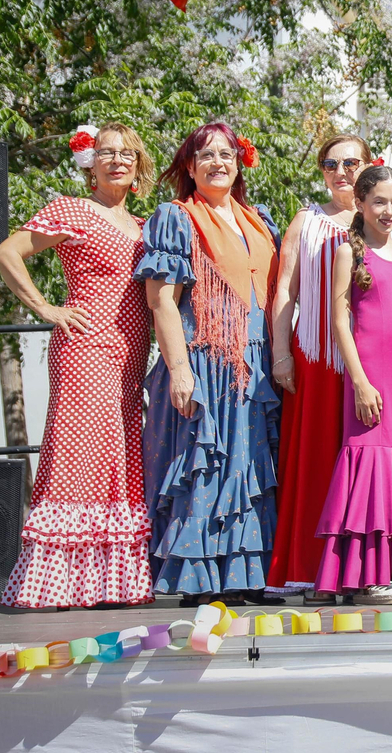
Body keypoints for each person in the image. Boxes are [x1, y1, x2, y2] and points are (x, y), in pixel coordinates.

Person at [0, 123, 156, 608]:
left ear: (138, 165)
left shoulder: (144, 224)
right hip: (86, 350)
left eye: (127, 153)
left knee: (119, 457)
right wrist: (47, 308)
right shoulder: (73, 209)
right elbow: (7, 252)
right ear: (91, 163)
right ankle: (55, 583)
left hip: (130, 353)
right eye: (107, 153)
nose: (118, 160)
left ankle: (113, 583)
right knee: (78, 455)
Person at [137, 121, 285, 606]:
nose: (217, 162)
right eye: (205, 155)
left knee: (252, 470)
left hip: (257, 364)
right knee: (206, 468)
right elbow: (161, 300)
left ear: (240, 161)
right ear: (189, 167)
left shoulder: (258, 219)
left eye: (225, 153)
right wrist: (179, 369)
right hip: (208, 362)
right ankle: (199, 583)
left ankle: (247, 577)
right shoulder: (175, 217)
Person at [313, 166, 392, 604]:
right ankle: (368, 578)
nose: (389, 211)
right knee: (370, 464)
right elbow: (339, 322)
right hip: (370, 375)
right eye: (380, 202)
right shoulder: (349, 253)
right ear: (361, 204)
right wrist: (360, 382)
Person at [266, 134, 372, 601]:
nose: (341, 171)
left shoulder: (382, 217)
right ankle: (311, 569)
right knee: (314, 464)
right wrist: (280, 353)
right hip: (314, 356)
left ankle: (364, 569)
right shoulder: (305, 221)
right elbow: (285, 291)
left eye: (351, 162)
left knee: (366, 463)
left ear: (368, 165)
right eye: (330, 164)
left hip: (368, 361)